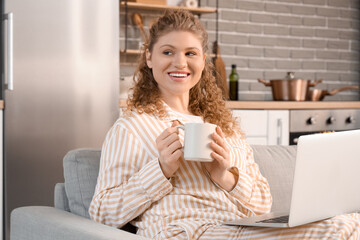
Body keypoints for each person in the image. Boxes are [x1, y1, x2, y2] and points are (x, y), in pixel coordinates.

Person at [89, 9, 360, 239]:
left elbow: (264, 203)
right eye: (168, 51)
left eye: (191, 53)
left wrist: (225, 176)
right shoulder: (132, 128)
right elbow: (101, 213)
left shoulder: (224, 127)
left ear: (203, 61)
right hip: (187, 230)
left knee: (353, 222)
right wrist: (160, 170)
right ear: (149, 57)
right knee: (335, 229)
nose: (180, 62)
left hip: (236, 227)